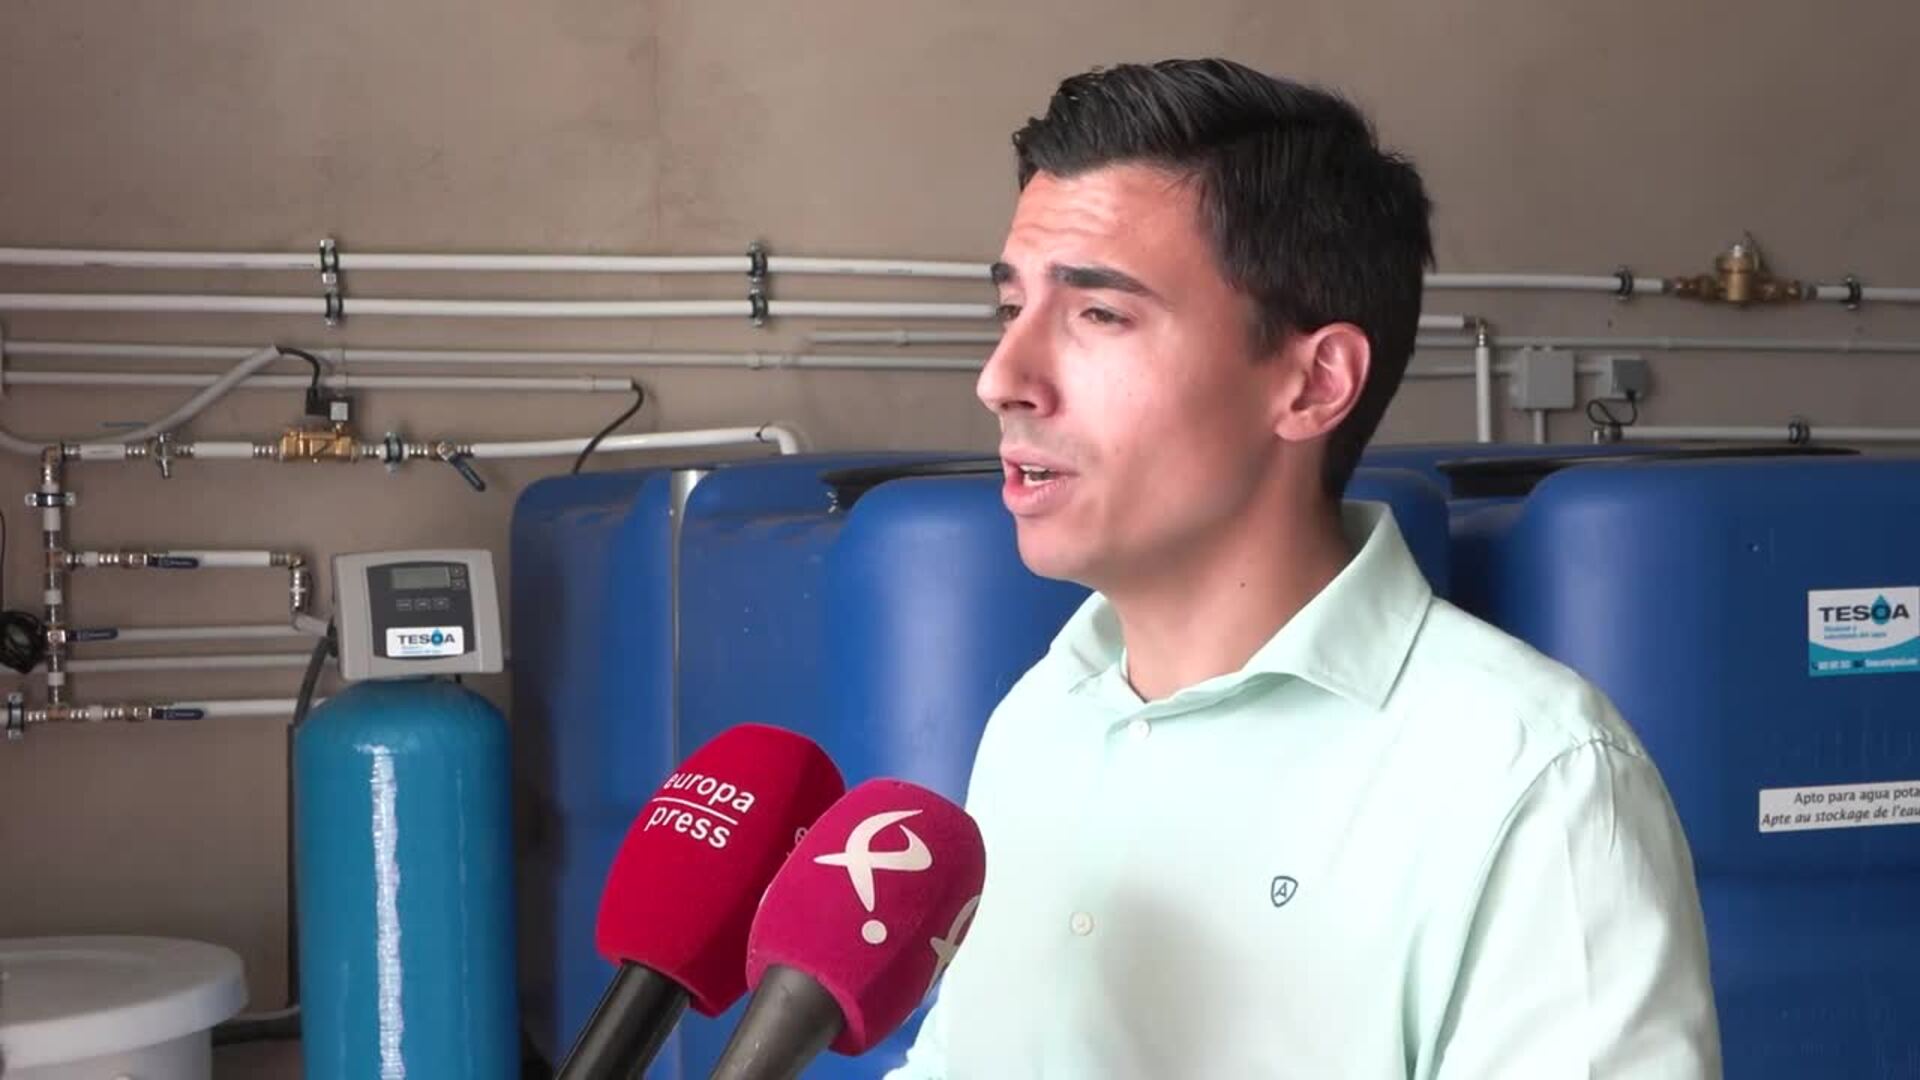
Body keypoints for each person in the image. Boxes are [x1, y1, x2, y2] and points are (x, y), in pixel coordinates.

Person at [886, 59, 1721, 1079]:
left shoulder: (1534, 783)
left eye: (1099, 314)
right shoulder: (1040, 721)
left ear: (1315, 383)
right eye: (1010, 307)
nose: (1003, 378)